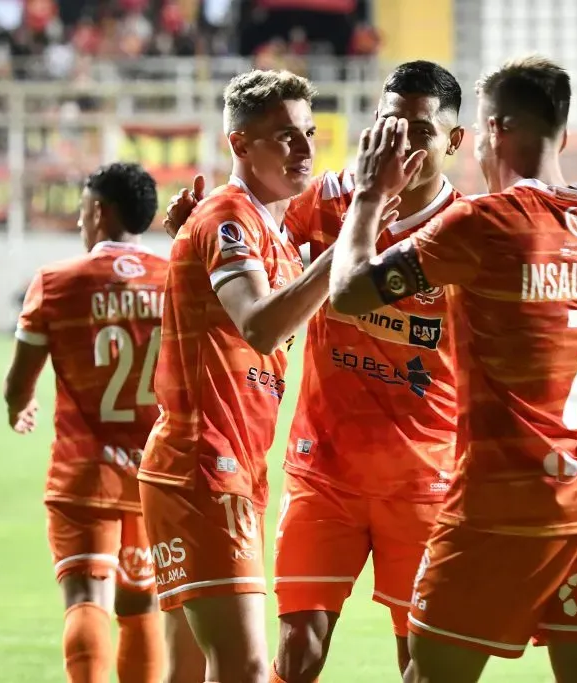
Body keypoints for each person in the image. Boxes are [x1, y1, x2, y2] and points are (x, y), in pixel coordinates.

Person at [328, 56, 577, 683]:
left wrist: (368, 194)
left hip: (503, 506)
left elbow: (349, 293)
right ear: (564, 134)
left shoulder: (483, 224)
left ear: (492, 130)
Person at [161, 60, 466, 683]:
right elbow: (256, 234)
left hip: (424, 476)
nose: (402, 142)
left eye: (420, 130)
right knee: (294, 650)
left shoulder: (469, 228)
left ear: (455, 141)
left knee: (424, 660)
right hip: (322, 469)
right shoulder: (325, 199)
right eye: (389, 124)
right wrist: (195, 227)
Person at [139, 69, 372, 683]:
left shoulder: (269, 227)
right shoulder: (230, 217)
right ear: (240, 144)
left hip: (224, 465)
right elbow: (261, 326)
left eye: (308, 134)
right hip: (203, 465)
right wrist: (343, 248)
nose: (303, 149)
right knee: (243, 669)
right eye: (284, 137)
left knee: (190, 672)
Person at [3, 162, 175, 683]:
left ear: (98, 211)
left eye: (81, 211)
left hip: (82, 473)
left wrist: (18, 405)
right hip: (154, 474)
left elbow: (18, 382)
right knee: (140, 603)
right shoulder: (175, 282)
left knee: (85, 595)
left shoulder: (57, 283)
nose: (80, 223)